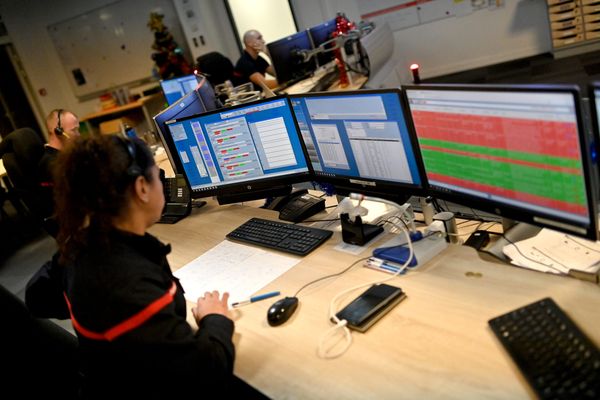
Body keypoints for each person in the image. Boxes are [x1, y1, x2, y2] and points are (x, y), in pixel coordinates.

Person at [25, 135, 249, 398]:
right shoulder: (124, 284)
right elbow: (207, 372)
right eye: (158, 174)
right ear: (142, 187)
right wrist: (217, 319)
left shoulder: (83, 245)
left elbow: (37, 297)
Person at [37, 109, 80, 219]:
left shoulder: (63, 156)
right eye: (74, 130)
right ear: (58, 132)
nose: (78, 135)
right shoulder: (53, 164)